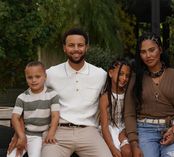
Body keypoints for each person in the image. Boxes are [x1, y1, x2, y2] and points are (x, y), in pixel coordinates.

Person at [8, 28, 113, 157]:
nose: (76, 49)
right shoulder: (51, 74)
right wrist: (19, 134)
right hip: (57, 131)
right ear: (64, 48)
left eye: (80, 45)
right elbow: (30, 100)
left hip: (89, 131)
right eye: (71, 45)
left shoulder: (100, 75)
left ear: (87, 47)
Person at [124, 32, 174, 157]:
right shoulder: (135, 79)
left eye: (152, 50)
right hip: (144, 131)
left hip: (170, 130)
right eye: (143, 52)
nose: (148, 55)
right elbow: (129, 113)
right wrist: (134, 143)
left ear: (160, 50)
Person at [7, 61, 60, 157]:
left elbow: (55, 116)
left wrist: (51, 133)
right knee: (11, 155)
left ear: (45, 77)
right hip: (24, 133)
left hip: (39, 136)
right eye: (30, 77)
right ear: (26, 78)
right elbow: (15, 118)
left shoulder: (52, 95)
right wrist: (21, 136)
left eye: (37, 76)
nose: (33, 80)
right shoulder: (22, 97)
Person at [99, 58, 132, 157]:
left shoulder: (128, 94)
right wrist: (112, 147)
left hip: (124, 129)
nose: (124, 78)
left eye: (127, 75)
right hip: (109, 131)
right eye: (121, 74)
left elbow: (132, 117)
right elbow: (104, 126)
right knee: (114, 153)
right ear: (110, 73)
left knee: (128, 152)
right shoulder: (105, 97)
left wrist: (124, 133)